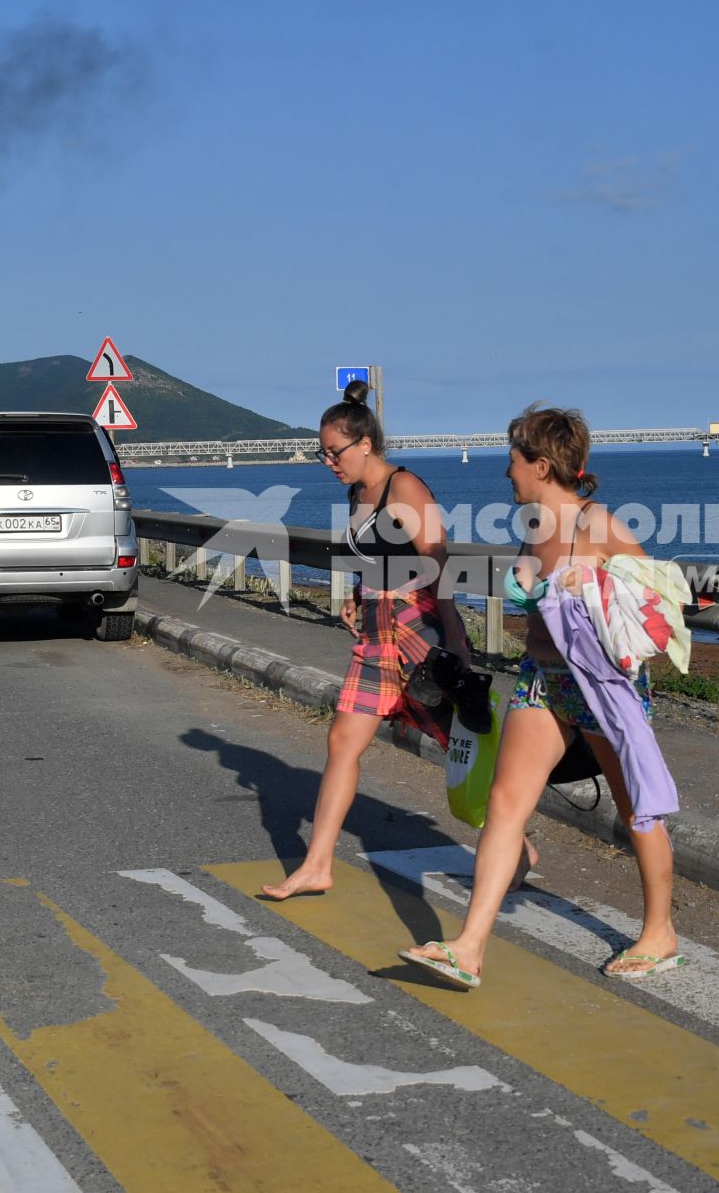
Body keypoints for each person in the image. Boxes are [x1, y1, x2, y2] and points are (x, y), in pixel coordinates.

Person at [402, 406, 681, 986]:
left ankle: (660, 933)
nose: (507, 473)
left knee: (636, 811)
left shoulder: (594, 524)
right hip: (543, 678)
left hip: (600, 683)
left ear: (542, 465)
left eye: (513, 460)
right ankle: (470, 948)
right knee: (505, 804)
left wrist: (595, 582)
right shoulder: (535, 527)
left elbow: (657, 594)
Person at [261, 382, 471, 900]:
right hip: (377, 631)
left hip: (418, 628)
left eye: (335, 452)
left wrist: (457, 642)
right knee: (342, 741)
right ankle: (317, 865)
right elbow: (373, 558)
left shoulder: (406, 490)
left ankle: (515, 848)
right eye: (323, 453)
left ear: (366, 445)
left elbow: (439, 568)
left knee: (460, 743)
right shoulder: (357, 494)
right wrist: (359, 597)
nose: (329, 462)